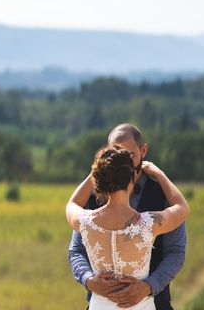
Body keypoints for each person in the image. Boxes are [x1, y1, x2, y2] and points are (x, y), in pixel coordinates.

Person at [68, 124, 187, 309]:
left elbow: (176, 252)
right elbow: (76, 251)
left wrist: (149, 286)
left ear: (143, 151)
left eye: (129, 155)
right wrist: (89, 280)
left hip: (156, 302)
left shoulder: (163, 196)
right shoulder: (150, 221)